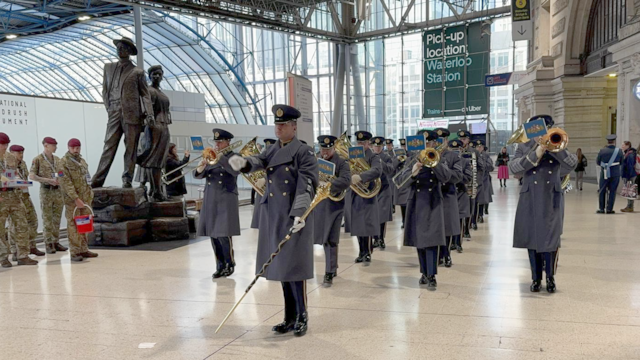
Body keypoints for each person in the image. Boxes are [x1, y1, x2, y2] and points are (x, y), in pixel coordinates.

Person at [228, 104, 318, 337]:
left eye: (283, 125)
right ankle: (289, 317)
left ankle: (302, 317)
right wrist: (243, 163)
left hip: (293, 217)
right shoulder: (274, 149)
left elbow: (307, 184)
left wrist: (300, 212)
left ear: (294, 127)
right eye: (277, 125)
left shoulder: (303, 152)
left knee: (295, 270)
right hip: (274, 217)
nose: (278, 129)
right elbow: (258, 160)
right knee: (281, 268)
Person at [509, 115, 577, 293]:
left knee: (551, 240)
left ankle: (551, 277)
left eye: (545, 128)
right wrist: (536, 151)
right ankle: (536, 278)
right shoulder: (524, 145)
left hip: (551, 197)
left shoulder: (558, 141)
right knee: (532, 239)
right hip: (530, 196)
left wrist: (555, 148)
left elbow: (571, 164)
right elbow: (514, 168)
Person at [91, 37, 154, 189]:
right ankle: (98, 179)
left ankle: (127, 179)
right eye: (118, 47)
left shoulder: (137, 72)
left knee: (130, 148)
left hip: (132, 114)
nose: (120, 50)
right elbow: (105, 90)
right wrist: (109, 107)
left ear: (129, 52)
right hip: (114, 111)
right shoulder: (108, 67)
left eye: (123, 48)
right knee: (108, 145)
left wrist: (149, 114)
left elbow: (145, 94)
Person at [396, 130, 451, 289]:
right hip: (416, 202)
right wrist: (414, 171)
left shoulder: (439, 157)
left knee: (432, 240)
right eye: (424, 143)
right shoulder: (412, 159)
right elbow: (400, 181)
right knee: (419, 240)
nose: (427, 145)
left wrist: (434, 164)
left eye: (430, 142)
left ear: (434, 143)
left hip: (433, 201)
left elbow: (446, 177)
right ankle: (423, 272)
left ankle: (432, 275)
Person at [193, 129, 241, 278]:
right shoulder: (211, 156)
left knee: (223, 233)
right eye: (216, 142)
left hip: (226, 197)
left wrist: (220, 158)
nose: (217, 144)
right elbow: (199, 175)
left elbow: (235, 171)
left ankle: (229, 263)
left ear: (228, 142)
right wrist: (201, 166)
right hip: (211, 197)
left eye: (220, 142)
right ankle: (219, 265)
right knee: (213, 234)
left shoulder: (235, 156)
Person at [313, 135, 351, 285]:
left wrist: (329, 183)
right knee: (321, 237)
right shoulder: (315, 160)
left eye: (328, 149)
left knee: (330, 238)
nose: (325, 152)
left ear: (334, 148)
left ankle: (329, 271)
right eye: (323, 149)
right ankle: (332, 266)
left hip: (334, 205)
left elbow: (347, 180)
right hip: (318, 204)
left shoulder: (341, 162)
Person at [344, 131, 382, 264]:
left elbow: (377, 170)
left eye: (363, 143)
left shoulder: (373, 157)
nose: (360, 145)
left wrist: (361, 176)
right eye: (358, 142)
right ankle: (361, 251)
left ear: (368, 143)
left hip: (367, 194)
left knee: (366, 225)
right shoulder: (352, 155)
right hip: (354, 194)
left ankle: (367, 252)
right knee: (357, 225)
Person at [0, 133, 37, 267]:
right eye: (2, 144)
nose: (5, 147)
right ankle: (3, 258)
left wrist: (19, 182)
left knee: (22, 225)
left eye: (6, 144)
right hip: (1, 198)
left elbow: (11, 175)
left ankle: (22, 255)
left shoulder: (10, 158)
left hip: (15, 196)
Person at [59, 139, 98, 262]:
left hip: (85, 198)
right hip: (73, 201)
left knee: (84, 224)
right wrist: (75, 198)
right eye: (73, 148)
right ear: (68, 148)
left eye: (78, 148)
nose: (76, 150)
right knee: (73, 225)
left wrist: (89, 194)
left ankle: (83, 249)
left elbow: (87, 179)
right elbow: (65, 182)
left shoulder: (81, 161)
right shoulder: (63, 163)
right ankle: (75, 251)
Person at [138, 65, 172, 201]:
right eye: (153, 74)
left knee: (159, 160)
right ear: (150, 76)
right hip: (155, 127)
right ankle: (156, 190)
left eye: (159, 74)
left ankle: (155, 189)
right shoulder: (150, 91)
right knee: (154, 160)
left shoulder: (160, 92)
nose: (156, 76)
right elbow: (147, 110)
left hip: (163, 126)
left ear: (162, 75)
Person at [29, 137, 67, 254]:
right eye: (53, 145)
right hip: (46, 191)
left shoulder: (57, 159)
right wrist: (47, 180)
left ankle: (56, 241)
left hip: (58, 191)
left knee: (57, 217)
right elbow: (32, 175)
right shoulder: (38, 159)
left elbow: (61, 172)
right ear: (46, 145)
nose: (55, 147)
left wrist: (59, 178)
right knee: (47, 218)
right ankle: (48, 243)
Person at [434, 128, 463, 268]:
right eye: (437, 141)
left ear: (446, 141)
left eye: (443, 140)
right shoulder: (427, 154)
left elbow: (458, 176)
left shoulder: (453, 156)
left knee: (448, 227)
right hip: (432, 195)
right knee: (435, 227)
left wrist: (444, 172)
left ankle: (446, 254)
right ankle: (436, 255)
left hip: (447, 194)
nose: (440, 143)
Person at [10, 145, 43, 260]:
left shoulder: (22, 164)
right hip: (13, 197)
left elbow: (24, 178)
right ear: (11, 153)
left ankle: (31, 245)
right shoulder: (7, 164)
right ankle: (15, 251)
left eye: (22, 153)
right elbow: (7, 181)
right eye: (18, 153)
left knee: (33, 220)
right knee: (14, 225)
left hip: (25, 195)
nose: (21, 155)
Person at [457, 130, 484, 237]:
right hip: (458, 183)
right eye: (460, 139)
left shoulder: (474, 152)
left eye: (464, 139)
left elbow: (481, 167)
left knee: (469, 207)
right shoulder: (454, 150)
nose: (462, 141)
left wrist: (476, 182)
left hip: (470, 182)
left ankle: (467, 229)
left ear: (468, 140)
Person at [449, 139, 472, 253]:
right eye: (453, 149)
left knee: (460, 218)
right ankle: (450, 242)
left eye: (457, 149)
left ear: (462, 149)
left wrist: (457, 175)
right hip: (448, 192)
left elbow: (468, 178)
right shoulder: (445, 160)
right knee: (449, 219)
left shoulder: (465, 161)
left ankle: (458, 242)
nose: (455, 151)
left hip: (461, 192)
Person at [371, 136, 394, 250]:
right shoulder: (368, 156)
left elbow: (390, 170)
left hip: (383, 188)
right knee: (373, 215)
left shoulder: (386, 157)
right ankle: (375, 238)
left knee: (382, 215)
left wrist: (380, 162)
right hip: (371, 188)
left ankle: (381, 238)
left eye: (379, 146)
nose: (377, 148)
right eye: (375, 146)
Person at [596, 134, 623, 214]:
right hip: (615, 173)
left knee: (602, 190)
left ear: (608, 142)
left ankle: (601, 208)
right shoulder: (619, 151)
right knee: (612, 191)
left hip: (604, 173)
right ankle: (609, 209)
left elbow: (598, 162)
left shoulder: (602, 151)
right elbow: (621, 162)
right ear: (614, 141)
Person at [472, 140, 493, 225]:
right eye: (477, 147)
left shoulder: (486, 155)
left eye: (480, 146)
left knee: (483, 198)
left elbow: (491, 167)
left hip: (484, 179)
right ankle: (474, 217)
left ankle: (480, 215)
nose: (479, 148)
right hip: (475, 179)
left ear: (483, 147)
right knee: (475, 199)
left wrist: (484, 165)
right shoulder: (473, 155)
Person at [393, 138, 410, 229]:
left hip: (408, 182)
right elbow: (392, 167)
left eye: (405, 146)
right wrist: (398, 160)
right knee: (402, 204)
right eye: (402, 146)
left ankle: (408, 221)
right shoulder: (396, 155)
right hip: (400, 182)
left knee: (408, 203)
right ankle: (404, 221)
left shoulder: (411, 154)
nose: (403, 147)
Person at [620, 141, 637, 212]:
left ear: (628, 146)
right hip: (629, 175)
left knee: (630, 191)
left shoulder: (629, 154)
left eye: (623, 145)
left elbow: (630, 166)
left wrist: (629, 176)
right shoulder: (628, 153)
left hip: (630, 175)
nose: (622, 146)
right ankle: (629, 206)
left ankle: (630, 206)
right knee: (629, 191)